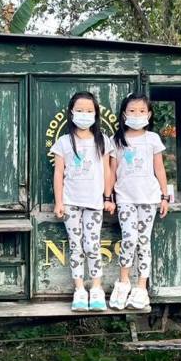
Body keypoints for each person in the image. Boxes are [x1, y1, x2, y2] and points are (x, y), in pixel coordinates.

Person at [50, 91, 116, 311]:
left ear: (95, 114)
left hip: (94, 203)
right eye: (80, 110)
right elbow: (58, 173)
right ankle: (79, 290)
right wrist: (59, 202)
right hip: (71, 202)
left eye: (89, 110)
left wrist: (108, 197)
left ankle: (96, 288)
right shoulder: (63, 142)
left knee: (92, 245)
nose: (84, 114)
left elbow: (107, 170)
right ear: (71, 112)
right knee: (75, 245)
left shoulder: (102, 140)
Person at [109, 92, 169, 310]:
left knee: (143, 241)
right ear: (124, 114)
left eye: (142, 111)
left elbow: (159, 169)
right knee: (129, 238)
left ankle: (141, 288)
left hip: (149, 198)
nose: (137, 115)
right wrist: (109, 196)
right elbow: (112, 171)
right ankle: (123, 282)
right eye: (132, 111)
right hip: (125, 198)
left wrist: (164, 196)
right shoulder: (116, 140)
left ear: (149, 114)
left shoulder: (152, 139)